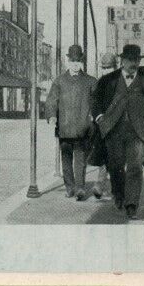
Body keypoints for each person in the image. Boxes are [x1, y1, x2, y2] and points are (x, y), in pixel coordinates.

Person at [92, 43, 144, 219]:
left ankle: (132, 204)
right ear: (122, 61)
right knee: (115, 166)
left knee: (135, 167)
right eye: (129, 59)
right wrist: (100, 117)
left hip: (138, 132)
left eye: (136, 60)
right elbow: (95, 100)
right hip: (113, 131)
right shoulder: (108, 80)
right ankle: (119, 195)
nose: (133, 63)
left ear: (139, 61)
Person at [45, 44, 96, 200]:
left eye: (78, 61)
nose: (75, 64)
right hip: (64, 128)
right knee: (66, 160)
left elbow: (97, 101)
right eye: (72, 61)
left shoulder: (90, 81)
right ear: (68, 61)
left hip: (82, 128)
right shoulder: (59, 81)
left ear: (81, 62)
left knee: (80, 160)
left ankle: (79, 188)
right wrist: (52, 116)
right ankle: (69, 187)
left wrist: (93, 115)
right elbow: (51, 100)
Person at [90, 52, 116, 200]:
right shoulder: (99, 84)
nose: (106, 71)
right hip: (103, 127)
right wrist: (99, 116)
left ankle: (103, 186)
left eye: (109, 68)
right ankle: (103, 186)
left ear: (115, 67)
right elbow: (94, 103)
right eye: (104, 68)